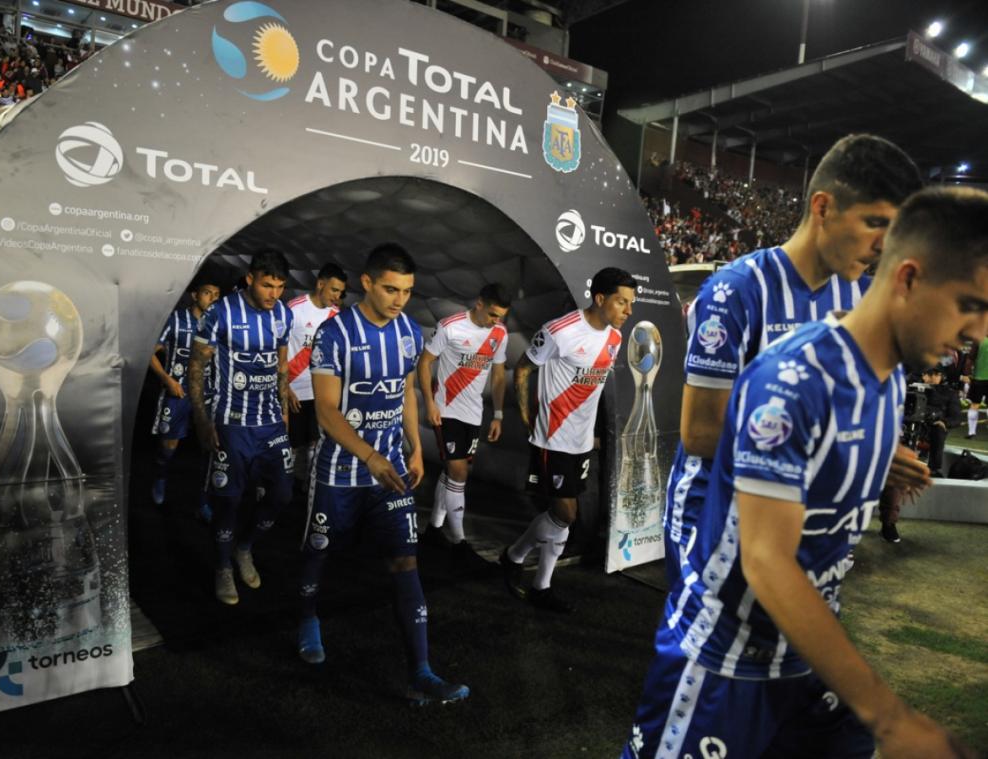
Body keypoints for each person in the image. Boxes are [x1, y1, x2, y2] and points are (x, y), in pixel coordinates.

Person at [623, 186, 988, 759]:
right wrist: (890, 718)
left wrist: (875, 459)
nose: (979, 333)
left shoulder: (887, 374)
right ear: (910, 279)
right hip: (727, 653)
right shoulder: (784, 372)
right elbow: (765, 557)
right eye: (971, 304)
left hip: (805, 650)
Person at [665, 134, 926, 586]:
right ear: (823, 207)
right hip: (715, 522)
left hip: (801, 521)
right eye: (875, 224)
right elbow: (702, 433)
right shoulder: (737, 291)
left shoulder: (861, 295)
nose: (886, 245)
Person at [296, 243, 468, 706]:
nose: (399, 299)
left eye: (408, 291)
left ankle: (421, 673)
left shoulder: (410, 333)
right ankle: (308, 617)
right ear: (367, 283)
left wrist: (415, 448)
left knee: (405, 562)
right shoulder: (333, 335)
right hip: (339, 472)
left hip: (390, 471)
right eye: (391, 289)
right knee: (319, 550)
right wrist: (370, 455)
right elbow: (327, 414)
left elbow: (407, 392)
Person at [502, 267, 636, 613]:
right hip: (553, 438)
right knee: (567, 512)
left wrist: (592, 432)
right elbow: (522, 367)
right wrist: (525, 415)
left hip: (580, 441)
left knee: (561, 515)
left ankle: (529, 573)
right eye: (622, 302)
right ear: (601, 298)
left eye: (631, 304)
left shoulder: (615, 339)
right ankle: (521, 562)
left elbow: (592, 389)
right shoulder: (560, 331)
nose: (628, 311)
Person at [189, 250, 294, 606]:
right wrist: (202, 420)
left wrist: (283, 406)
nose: (273, 294)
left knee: (281, 495)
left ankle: (244, 548)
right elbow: (196, 366)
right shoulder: (221, 312)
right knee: (228, 500)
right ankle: (222, 567)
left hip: (270, 424)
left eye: (280, 287)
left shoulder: (283, 314)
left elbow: (281, 360)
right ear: (250, 279)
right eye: (267, 285)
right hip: (231, 423)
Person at [416, 283, 510, 553]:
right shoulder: (450, 326)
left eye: (501, 316)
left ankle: (434, 528)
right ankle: (459, 541)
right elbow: (425, 362)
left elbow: (500, 375)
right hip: (446, 409)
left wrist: (499, 415)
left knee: (454, 471)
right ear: (479, 303)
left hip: (474, 413)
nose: (497, 321)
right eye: (493, 314)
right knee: (459, 472)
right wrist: (430, 403)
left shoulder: (500, 333)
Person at [148, 279, 220, 506]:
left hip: (206, 394)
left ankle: (204, 499)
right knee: (168, 447)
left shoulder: (218, 323)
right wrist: (167, 379)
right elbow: (150, 353)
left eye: (216, 294)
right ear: (194, 295)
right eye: (208, 292)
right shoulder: (176, 320)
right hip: (177, 392)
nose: (212, 298)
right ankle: (160, 477)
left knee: (210, 448)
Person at [286, 264, 346, 492]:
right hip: (293, 391)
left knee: (315, 443)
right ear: (320, 284)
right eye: (334, 290)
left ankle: (308, 491)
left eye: (340, 292)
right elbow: (277, 350)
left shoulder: (337, 316)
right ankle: (281, 487)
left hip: (319, 394)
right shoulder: (294, 309)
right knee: (290, 444)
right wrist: (285, 388)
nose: (337, 296)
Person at [962, 336, 988, 438]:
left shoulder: (979, 340)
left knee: (974, 404)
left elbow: (970, 359)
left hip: (978, 378)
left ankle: (971, 432)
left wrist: (967, 374)